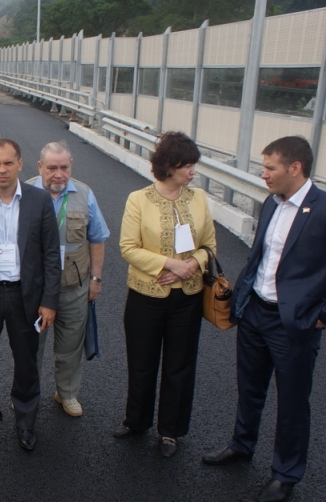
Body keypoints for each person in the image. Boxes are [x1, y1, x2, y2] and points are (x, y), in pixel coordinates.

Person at [202, 137, 325, 502]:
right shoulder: (271, 203)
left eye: (270, 167)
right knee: (250, 387)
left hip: (295, 323)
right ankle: (242, 445)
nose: (263, 173)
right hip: (256, 311)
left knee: (291, 401)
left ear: (295, 168)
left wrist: (321, 317)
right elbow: (261, 256)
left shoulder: (321, 211)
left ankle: (286, 474)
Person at [116, 132, 216, 458]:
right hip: (146, 296)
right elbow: (128, 248)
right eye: (188, 165)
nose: (193, 172)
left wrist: (192, 265)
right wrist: (169, 263)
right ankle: (136, 421)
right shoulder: (138, 199)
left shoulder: (199, 198)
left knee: (180, 365)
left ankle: (170, 431)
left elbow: (210, 247)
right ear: (170, 166)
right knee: (142, 363)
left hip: (188, 297)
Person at [0, 139, 60, 451]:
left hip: (25, 298)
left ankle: (26, 423)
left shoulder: (39, 200)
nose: (2, 169)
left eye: (8, 162)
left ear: (20, 164)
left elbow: (50, 256)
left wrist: (49, 302)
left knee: (27, 364)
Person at [29, 141, 110, 417]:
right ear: (40, 167)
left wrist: (96, 279)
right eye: (52, 167)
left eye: (64, 167)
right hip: (35, 290)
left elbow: (97, 239)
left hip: (74, 287)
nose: (58, 174)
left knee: (70, 347)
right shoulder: (25, 192)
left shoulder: (85, 194)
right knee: (31, 346)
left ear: (71, 165)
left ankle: (67, 393)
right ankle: (28, 394)